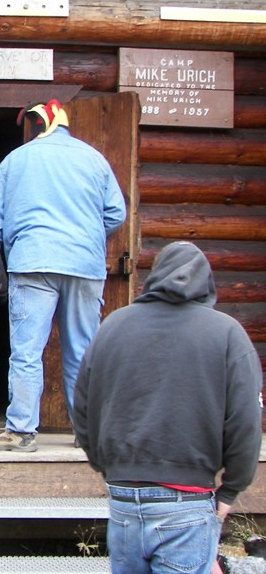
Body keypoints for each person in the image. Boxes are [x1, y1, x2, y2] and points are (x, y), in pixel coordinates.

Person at [73, 241, 263, 573]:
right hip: (187, 503)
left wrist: (107, 466)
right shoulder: (228, 335)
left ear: (155, 277)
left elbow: (82, 407)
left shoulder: (113, 327)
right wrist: (231, 491)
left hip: (123, 501)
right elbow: (246, 422)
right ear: (207, 283)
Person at [0, 99, 126, 452]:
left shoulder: (16, 160)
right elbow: (116, 212)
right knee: (83, 351)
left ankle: (22, 431)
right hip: (84, 266)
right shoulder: (94, 159)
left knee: (27, 351)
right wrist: (86, 235)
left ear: (38, 125)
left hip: (33, 263)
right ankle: (87, 435)